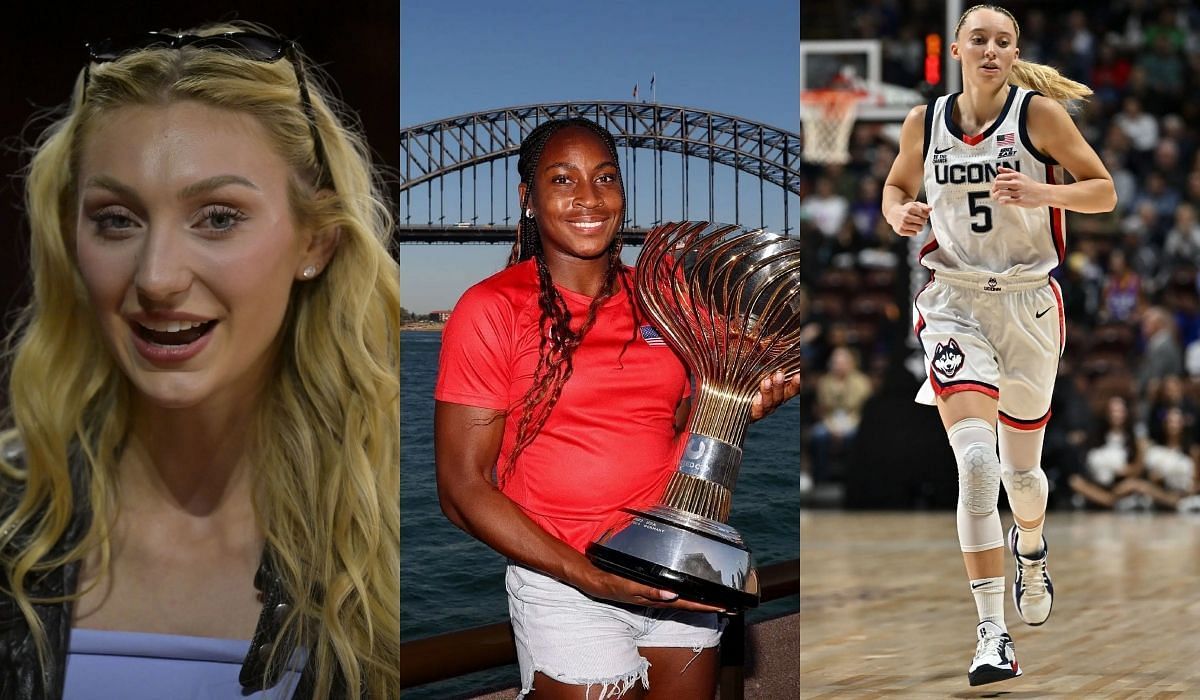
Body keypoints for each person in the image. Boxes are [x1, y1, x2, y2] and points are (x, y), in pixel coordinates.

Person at [0, 24, 401, 699]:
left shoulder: (385, 532)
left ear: (318, 240)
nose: (156, 276)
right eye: (116, 220)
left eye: (217, 217)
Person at [434, 117, 799, 700]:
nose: (588, 197)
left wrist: (736, 404)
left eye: (605, 178)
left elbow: (674, 426)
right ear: (528, 200)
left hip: (679, 572)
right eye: (563, 179)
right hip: (568, 584)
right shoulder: (490, 309)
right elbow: (461, 489)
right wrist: (587, 575)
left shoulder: (668, 302)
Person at [881, 4, 1116, 687]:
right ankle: (992, 634)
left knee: (1022, 478)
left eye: (1002, 41)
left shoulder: (1038, 116)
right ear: (956, 46)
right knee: (977, 467)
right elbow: (896, 186)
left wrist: (1040, 190)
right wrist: (900, 212)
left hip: (1029, 304)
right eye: (979, 39)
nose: (990, 49)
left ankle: (1033, 549)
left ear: (1015, 53)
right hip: (954, 300)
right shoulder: (923, 122)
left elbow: (1103, 192)